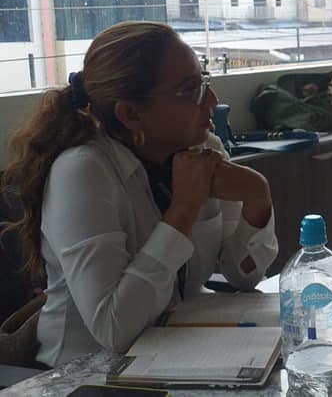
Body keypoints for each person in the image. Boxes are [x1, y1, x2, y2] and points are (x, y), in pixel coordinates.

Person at [0, 21, 278, 367]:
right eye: (189, 90)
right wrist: (183, 209)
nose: (212, 101)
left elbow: (244, 275)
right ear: (131, 114)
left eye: (204, 82)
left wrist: (257, 196)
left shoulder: (203, 150)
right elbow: (114, 330)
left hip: (176, 353)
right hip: (84, 372)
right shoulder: (82, 170)